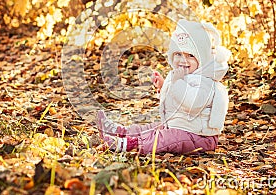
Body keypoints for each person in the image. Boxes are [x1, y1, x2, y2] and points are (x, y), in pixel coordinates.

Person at [96, 19, 231, 154]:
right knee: (150, 128)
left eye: (190, 55)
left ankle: (131, 144)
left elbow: (192, 103)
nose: (182, 60)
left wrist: (177, 83)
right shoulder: (183, 75)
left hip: (199, 137)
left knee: (165, 138)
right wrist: (162, 86)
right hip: (177, 127)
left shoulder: (206, 82)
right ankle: (120, 132)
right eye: (178, 54)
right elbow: (174, 102)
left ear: (202, 58)